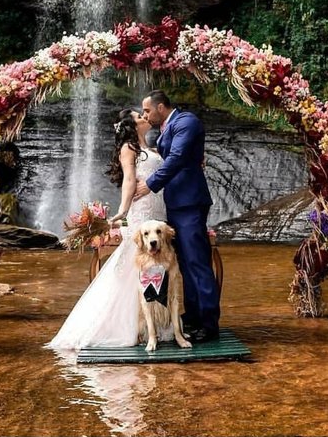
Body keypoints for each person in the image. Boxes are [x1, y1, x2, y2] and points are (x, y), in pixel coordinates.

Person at [46, 108, 168, 350]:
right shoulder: (129, 149)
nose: (144, 117)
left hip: (158, 211)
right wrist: (123, 211)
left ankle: (154, 324)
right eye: (138, 116)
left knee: (155, 267)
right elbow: (129, 180)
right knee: (136, 269)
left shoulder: (150, 149)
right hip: (141, 211)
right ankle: (130, 326)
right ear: (131, 126)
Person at [135, 90, 220, 343]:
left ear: (161, 107)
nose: (145, 115)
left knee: (198, 263)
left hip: (190, 202)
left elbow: (179, 157)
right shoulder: (166, 127)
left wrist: (150, 184)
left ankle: (208, 324)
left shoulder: (186, 122)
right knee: (184, 263)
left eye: (148, 110)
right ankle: (192, 316)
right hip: (175, 203)